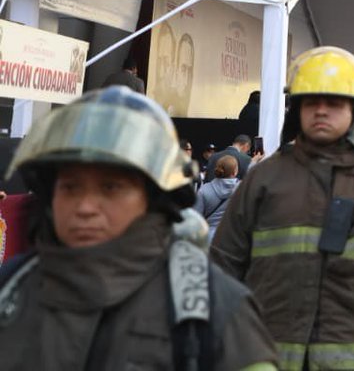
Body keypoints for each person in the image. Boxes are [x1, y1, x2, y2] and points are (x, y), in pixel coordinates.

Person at [0, 86, 277, 370]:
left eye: (110, 187)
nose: (84, 207)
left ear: (154, 199)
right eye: (70, 187)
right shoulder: (11, 289)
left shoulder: (217, 312)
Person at [211, 47, 354, 371]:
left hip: (353, 357)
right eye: (310, 102)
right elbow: (223, 265)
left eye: (333, 103)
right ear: (297, 110)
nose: (321, 111)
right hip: (268, 354)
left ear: (353, 111)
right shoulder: (263, 179)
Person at [194, 153, 239, 242]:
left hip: (209, 239)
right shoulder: (242, 189)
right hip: (234, 239)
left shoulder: (204, 190)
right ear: (234, 172)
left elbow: (196, 218)